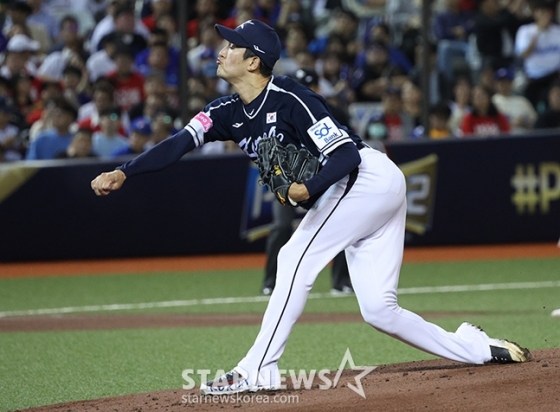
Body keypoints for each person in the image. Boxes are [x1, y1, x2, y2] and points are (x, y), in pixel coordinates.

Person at [91, 19, 532, 396]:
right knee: (379, 310)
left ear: (253, 60)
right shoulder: (225, 111)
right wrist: (125, 172)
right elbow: (178, 144)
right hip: (356, 192)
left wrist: (308, 188)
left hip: (366, 181)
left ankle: (256, 369)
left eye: (231, 45)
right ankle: (474, 347)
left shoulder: (292, 99)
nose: (221, 50)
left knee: (294, 256)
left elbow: (346, 156)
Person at [261, 68, 353, 297]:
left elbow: (346, 149)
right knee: (281, 227)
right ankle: (271, 282)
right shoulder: (281, 111)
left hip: (326, 179)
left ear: (319, 89)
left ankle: (341, 282)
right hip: (292, 180)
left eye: (312, 86)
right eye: (303, 85)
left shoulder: (335, 113)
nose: (308, 90)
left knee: (344, 225)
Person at [491, 67, 536, 134]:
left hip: (524, 137)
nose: (502, 85)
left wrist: (524, 123)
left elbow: (535, 122)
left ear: (511, 83)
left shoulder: (522, 101)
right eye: (500, 82)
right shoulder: (492, 101)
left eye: (506, 82)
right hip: (503, 139)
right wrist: (510, 124)